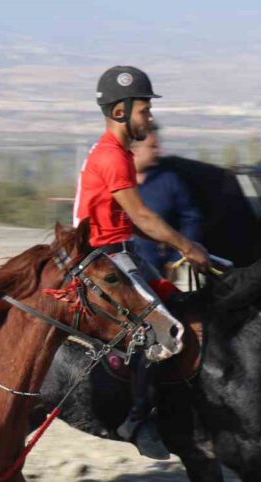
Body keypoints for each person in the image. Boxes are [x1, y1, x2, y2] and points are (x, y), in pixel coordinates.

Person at [73, 65, 210, 459]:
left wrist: (188, 248)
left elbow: (133, 222)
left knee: (179, 309)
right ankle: (135, 417)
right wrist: (187, 244)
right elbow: (144, 216)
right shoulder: (112, 156)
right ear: (120, 112)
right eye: (144, 111)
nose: (149, 120)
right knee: (159, 327)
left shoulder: (120, 154)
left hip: (123, 251)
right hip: (103, 260)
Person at [129, 123, 204, 276]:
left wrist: (177, 258)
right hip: (123, 271)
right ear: (134, 150)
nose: (158, 151)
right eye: (152, 147)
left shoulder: (169, 180)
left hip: (164, 271)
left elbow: (191, 219)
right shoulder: (115, 183)